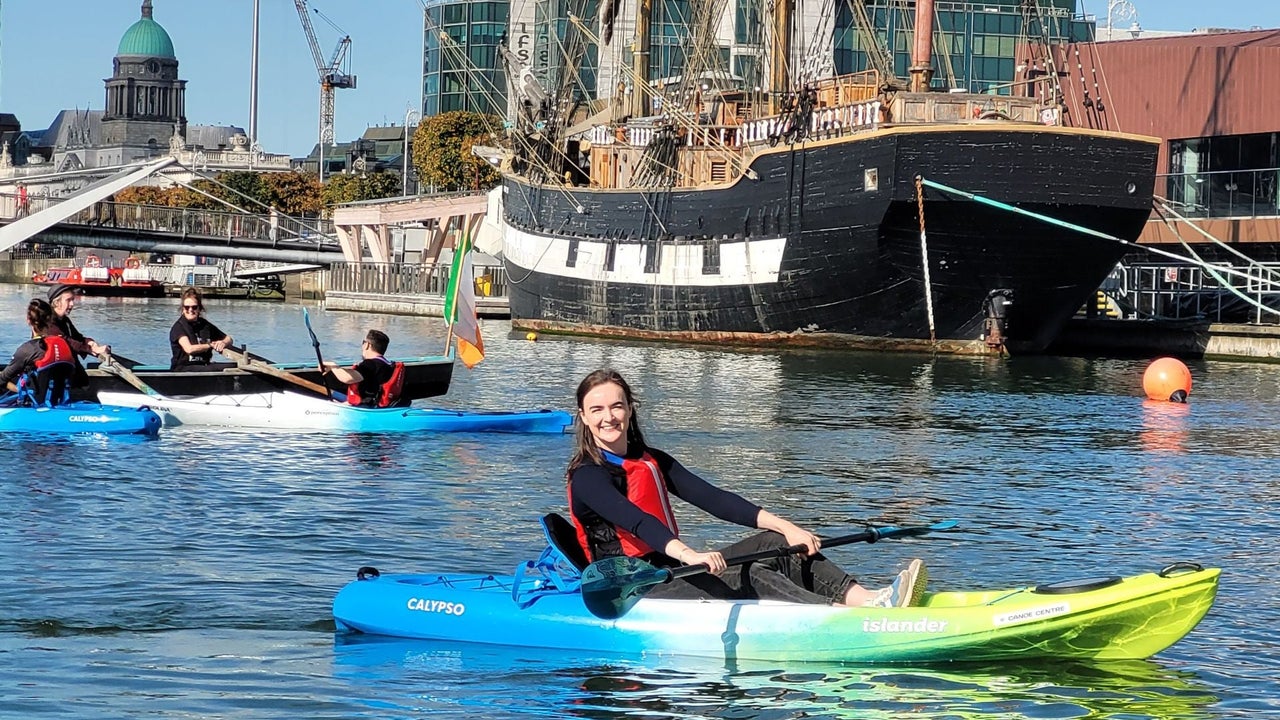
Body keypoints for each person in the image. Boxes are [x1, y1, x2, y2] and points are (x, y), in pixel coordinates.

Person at [564, 369, 927, 607]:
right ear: (583, 416)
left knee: (777, 544)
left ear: (630, 409)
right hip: (627, 586)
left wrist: (787, 527)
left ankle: (867, 599)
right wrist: (690, 555)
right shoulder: (588, 475)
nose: (608, 417)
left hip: (668, 566)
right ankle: (838, 615)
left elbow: (716, 500)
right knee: (750, 573)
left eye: (616, 406)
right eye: (596, 409)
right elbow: (638, 521)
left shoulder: (649, 459)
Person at [1, 299, 76, 406]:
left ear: (28, 320)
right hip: (58, 402)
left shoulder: (27, 349)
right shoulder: (63, 344)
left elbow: (3, 379)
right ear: (50, 321)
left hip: (33, 404)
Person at [322, 329, 404, 407]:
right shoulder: (388, 365)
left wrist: (332, 366)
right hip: (377, 404)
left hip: (368, 408)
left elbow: (348, 378)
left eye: (363, 342)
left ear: (367, 345)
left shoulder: (370, 364)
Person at [45, 284, 108, 386]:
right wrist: (91, 349)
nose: (72, 304)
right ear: (57, 302)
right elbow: (67, 342)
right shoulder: (48, 322)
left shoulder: (64, 320)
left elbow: (77, 337)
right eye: (68, 300)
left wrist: (91, 343)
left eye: (72, 300)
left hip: (69, 370)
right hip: (53, 374)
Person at [169, 287, 232, 370]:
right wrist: (210, 346)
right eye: (187, 307)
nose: (190, 310)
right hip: (183, 368)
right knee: (212, 369)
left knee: (234, 366)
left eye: (194, 307)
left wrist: (223, 343)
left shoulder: (205, 325)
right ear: (183, 309)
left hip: (204, 365)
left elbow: (229, 339)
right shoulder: (178, 327)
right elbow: (189, 349)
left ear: (199, 309)